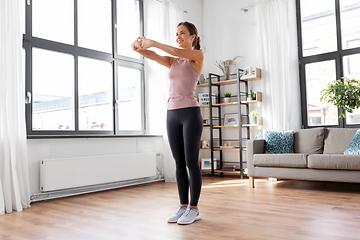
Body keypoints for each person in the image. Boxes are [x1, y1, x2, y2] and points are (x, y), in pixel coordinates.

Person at [131, 21, 204, 225]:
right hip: (172, 114)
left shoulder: (197, 56)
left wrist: (153, 42)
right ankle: (182, 206)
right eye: (176, 33)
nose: (178, 36)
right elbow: (153, 56)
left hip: (190, 113)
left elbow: (170, 49)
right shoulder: (173, 61)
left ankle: (194, 208)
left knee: (191, 162)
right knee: (179, 163)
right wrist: (139, 48)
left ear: (192, 37)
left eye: (183, 33)